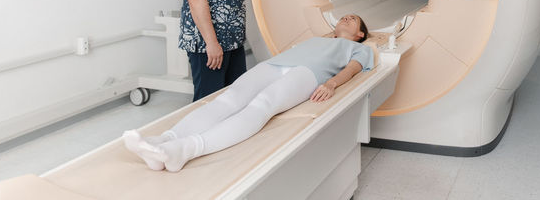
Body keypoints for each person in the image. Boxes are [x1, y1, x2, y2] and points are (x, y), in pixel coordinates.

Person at [123, 15, 373, 172]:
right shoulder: (315, 40)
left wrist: (330, 84)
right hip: (274, 65)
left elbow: (352, 70)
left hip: (308, 74)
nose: (346, 18)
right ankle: (164, 140)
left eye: (353, 20)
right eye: (344, 17)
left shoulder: (358, 48)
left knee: (261, 105)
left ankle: (185, 150)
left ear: (360, 34)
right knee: (229, 99)